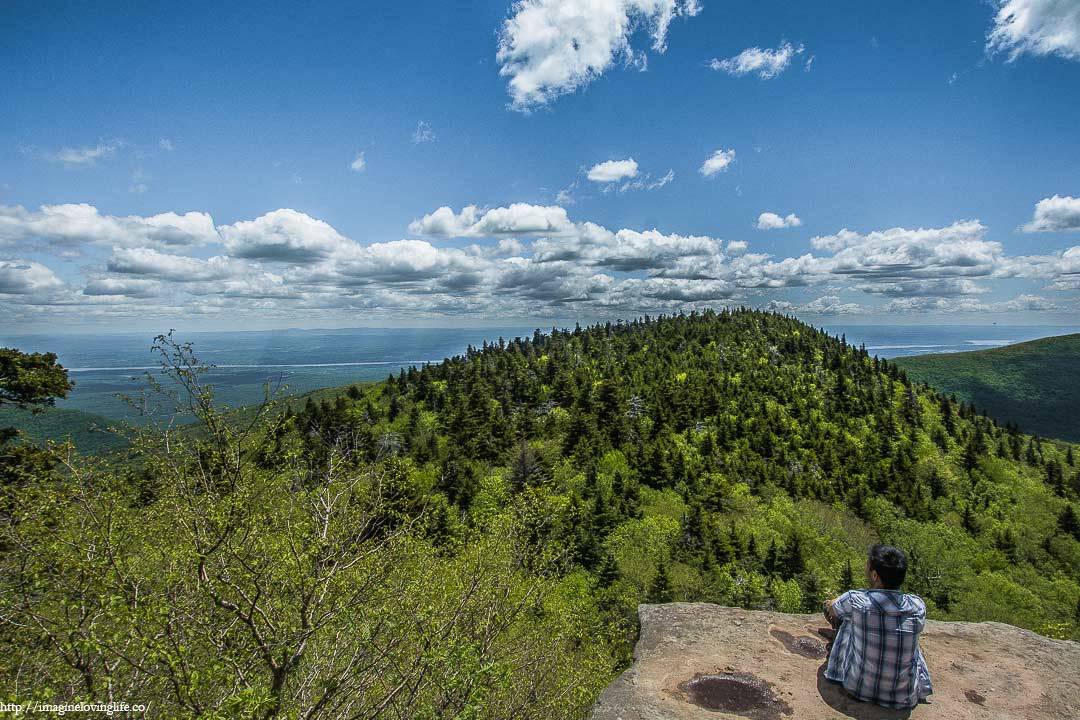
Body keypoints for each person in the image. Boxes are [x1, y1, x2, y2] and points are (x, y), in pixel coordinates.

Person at [822, 544, 933, 709]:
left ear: (875, 575)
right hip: (903, 698)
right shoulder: (917, 606)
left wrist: (833, 602)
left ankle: (837, 669)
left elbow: (832, 608)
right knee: (913, 644)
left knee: (847, 619)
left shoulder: (856, 600)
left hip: (858, 689)